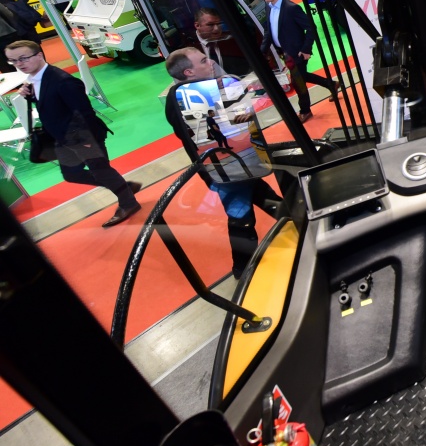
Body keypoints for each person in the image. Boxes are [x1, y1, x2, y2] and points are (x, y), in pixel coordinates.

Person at [164, 47, 280, 278]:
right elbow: (233, 122)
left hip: (231, 163)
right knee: (241, 214)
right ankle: (243, 268)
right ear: (189, 72)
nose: (210, 62)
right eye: (202, 61)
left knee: (261, 194)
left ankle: (299, 220)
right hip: (226, 165)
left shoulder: (176, 97)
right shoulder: (194, 96)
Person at [6, 39, 141, 227]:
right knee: (72, 175)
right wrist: (32, 97)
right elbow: (52, 104)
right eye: (13, 61)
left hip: (83, 137)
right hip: (62, 138)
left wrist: (87, 141)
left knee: (101, 172)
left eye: (23, 58)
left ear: (39, 55)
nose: (19, 64)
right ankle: (124, 187)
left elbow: (85, 113)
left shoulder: (63, 81)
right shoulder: (36, 79)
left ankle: (128, 203)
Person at [257, 0, 338, 121]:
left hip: (297, 52)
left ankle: (305, 110)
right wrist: (262, 51)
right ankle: (332, 84)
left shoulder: (291, 8)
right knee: (302, 76)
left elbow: (310, 28)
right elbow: (268, 31)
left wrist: (306, 49)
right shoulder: (268, 6)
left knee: (298, 81)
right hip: (284, 52)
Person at [192, 7, 252, 75]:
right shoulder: (189, 47)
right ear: (197, 25)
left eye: (219, 24)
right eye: (210, 25)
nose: (216, 29)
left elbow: (244, 65)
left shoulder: (231, 39)